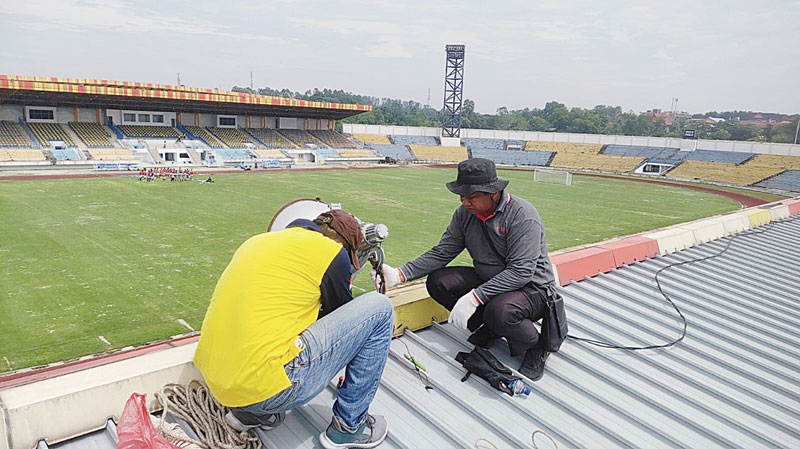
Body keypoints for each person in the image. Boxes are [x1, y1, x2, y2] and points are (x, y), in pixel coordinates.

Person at [194, 209, 393, 448]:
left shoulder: (256, 242)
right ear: (340, 242)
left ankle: (251, 414)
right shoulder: (332, 252)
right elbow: (340, 319)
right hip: (266, 389)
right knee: (380, 308)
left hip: (221, 385)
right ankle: (349, 427)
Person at [379, 158, 559, 381]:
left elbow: (521, 271)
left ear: (493, 193)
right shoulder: (464, 214)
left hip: (532, 289)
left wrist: (475, 297)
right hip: (491, 280)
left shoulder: (522, 215)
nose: (465, 201)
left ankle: (537, 346)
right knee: (438, 282)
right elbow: (443, 251)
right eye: (461, 196)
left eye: (472, 196)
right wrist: (400, 274)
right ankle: (489, 327)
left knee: (500, 311)